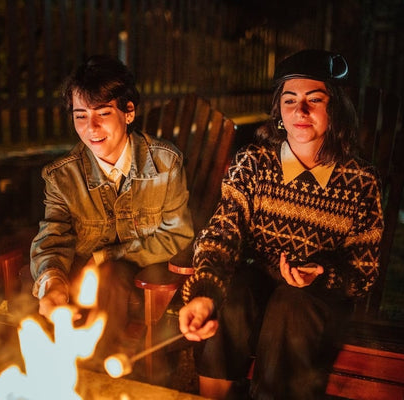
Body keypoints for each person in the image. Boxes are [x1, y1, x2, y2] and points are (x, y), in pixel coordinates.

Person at [178, 49, 384, 399]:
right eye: (290, 100)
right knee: (235, 294)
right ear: (279, 112)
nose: (300, 111)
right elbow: (222, 234)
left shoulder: (360, 181)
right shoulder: (253, 163)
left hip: (317, 303)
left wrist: (322, 273)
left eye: (314, 100)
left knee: (292, 305)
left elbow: (362, 269)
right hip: (259, 285)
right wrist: (203, 293)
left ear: (336, 109)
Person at [30, 55, 194, 363]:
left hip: (142, 275)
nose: (90, 127)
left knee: (112, 275)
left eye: (102, 113)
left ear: (128, 112)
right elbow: (53, 235)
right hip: (85, 282)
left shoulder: (164, 163)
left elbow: (178, 234)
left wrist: (107, 256)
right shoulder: (62, 176)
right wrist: (52, 281)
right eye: (80, 116)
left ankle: (104, 376)